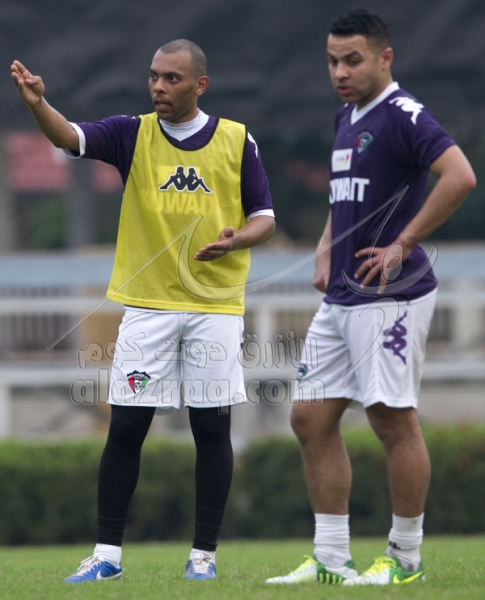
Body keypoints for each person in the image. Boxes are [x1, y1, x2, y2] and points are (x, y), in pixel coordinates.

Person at [11, 39, 275, 582]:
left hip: (214, 307)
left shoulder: (236, 139)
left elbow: (265, 217)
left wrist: (237, 239)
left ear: (200, 84)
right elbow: (69, 137)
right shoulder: (132, 133)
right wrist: (39, 104)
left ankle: (203, 559)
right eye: (154, 76)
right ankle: (107, 556)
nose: (158, 86)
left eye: (172, 78)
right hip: (147, 307)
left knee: (211, 429)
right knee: (126, 428)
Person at [266, 9, 475, 587]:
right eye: (333, 61)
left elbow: (460, 176)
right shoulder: (346, 115)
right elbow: (346, 196)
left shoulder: (404, 115)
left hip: (391, 296)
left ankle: (405, 559)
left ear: (385, 58)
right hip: (342, 294)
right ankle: (331, 558)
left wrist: (404, 243)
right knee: (309, 418)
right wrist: (325, 249)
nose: (340, 71)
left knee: (390, 419)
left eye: (353, 60)